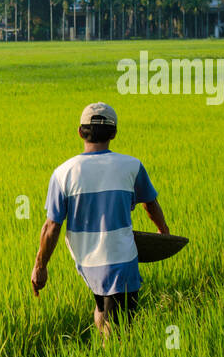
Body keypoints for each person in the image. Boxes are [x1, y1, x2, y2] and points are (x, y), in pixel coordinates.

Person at [30, 102, 171, 335]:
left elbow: (51, 226)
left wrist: (40, 266)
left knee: (103, 310)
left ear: (80, 132)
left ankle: (106, 355)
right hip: (120, 258)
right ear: (114, 133)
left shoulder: (63, 172)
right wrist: (163, 232)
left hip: (87, 262)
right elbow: (150, 204)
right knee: (120, 330)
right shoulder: (132, 166)